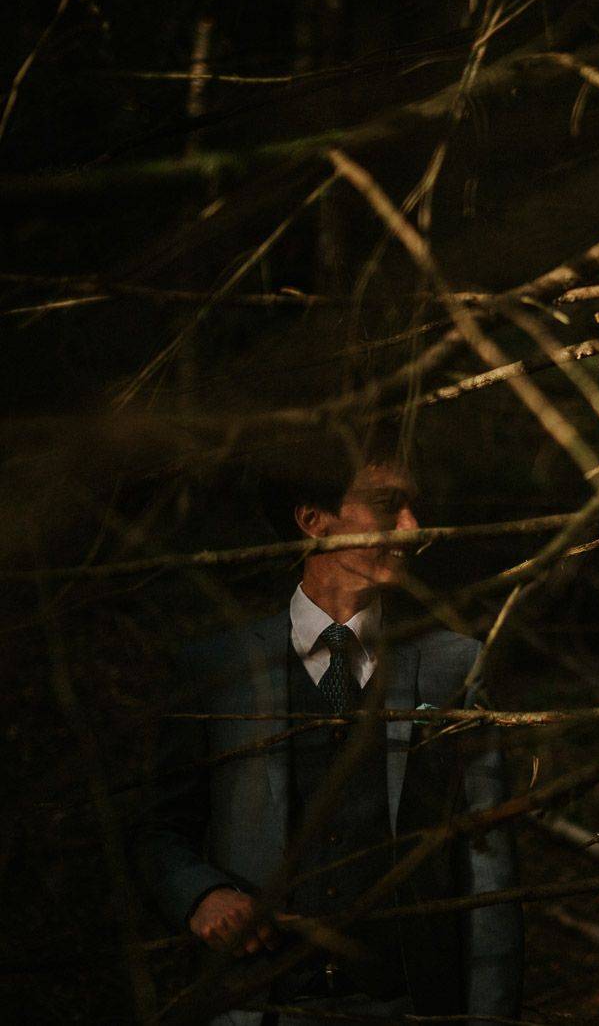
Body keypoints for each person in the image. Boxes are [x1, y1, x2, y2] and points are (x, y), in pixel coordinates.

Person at [132, 428, 522, 1026]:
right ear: (314, 520)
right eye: (390, 508)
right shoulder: (217, 669)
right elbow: (159, 828)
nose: (414, 529)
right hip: (259, 1007)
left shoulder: (452, 665)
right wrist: (202, 895)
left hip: (409, 1007)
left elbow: (488, 861)